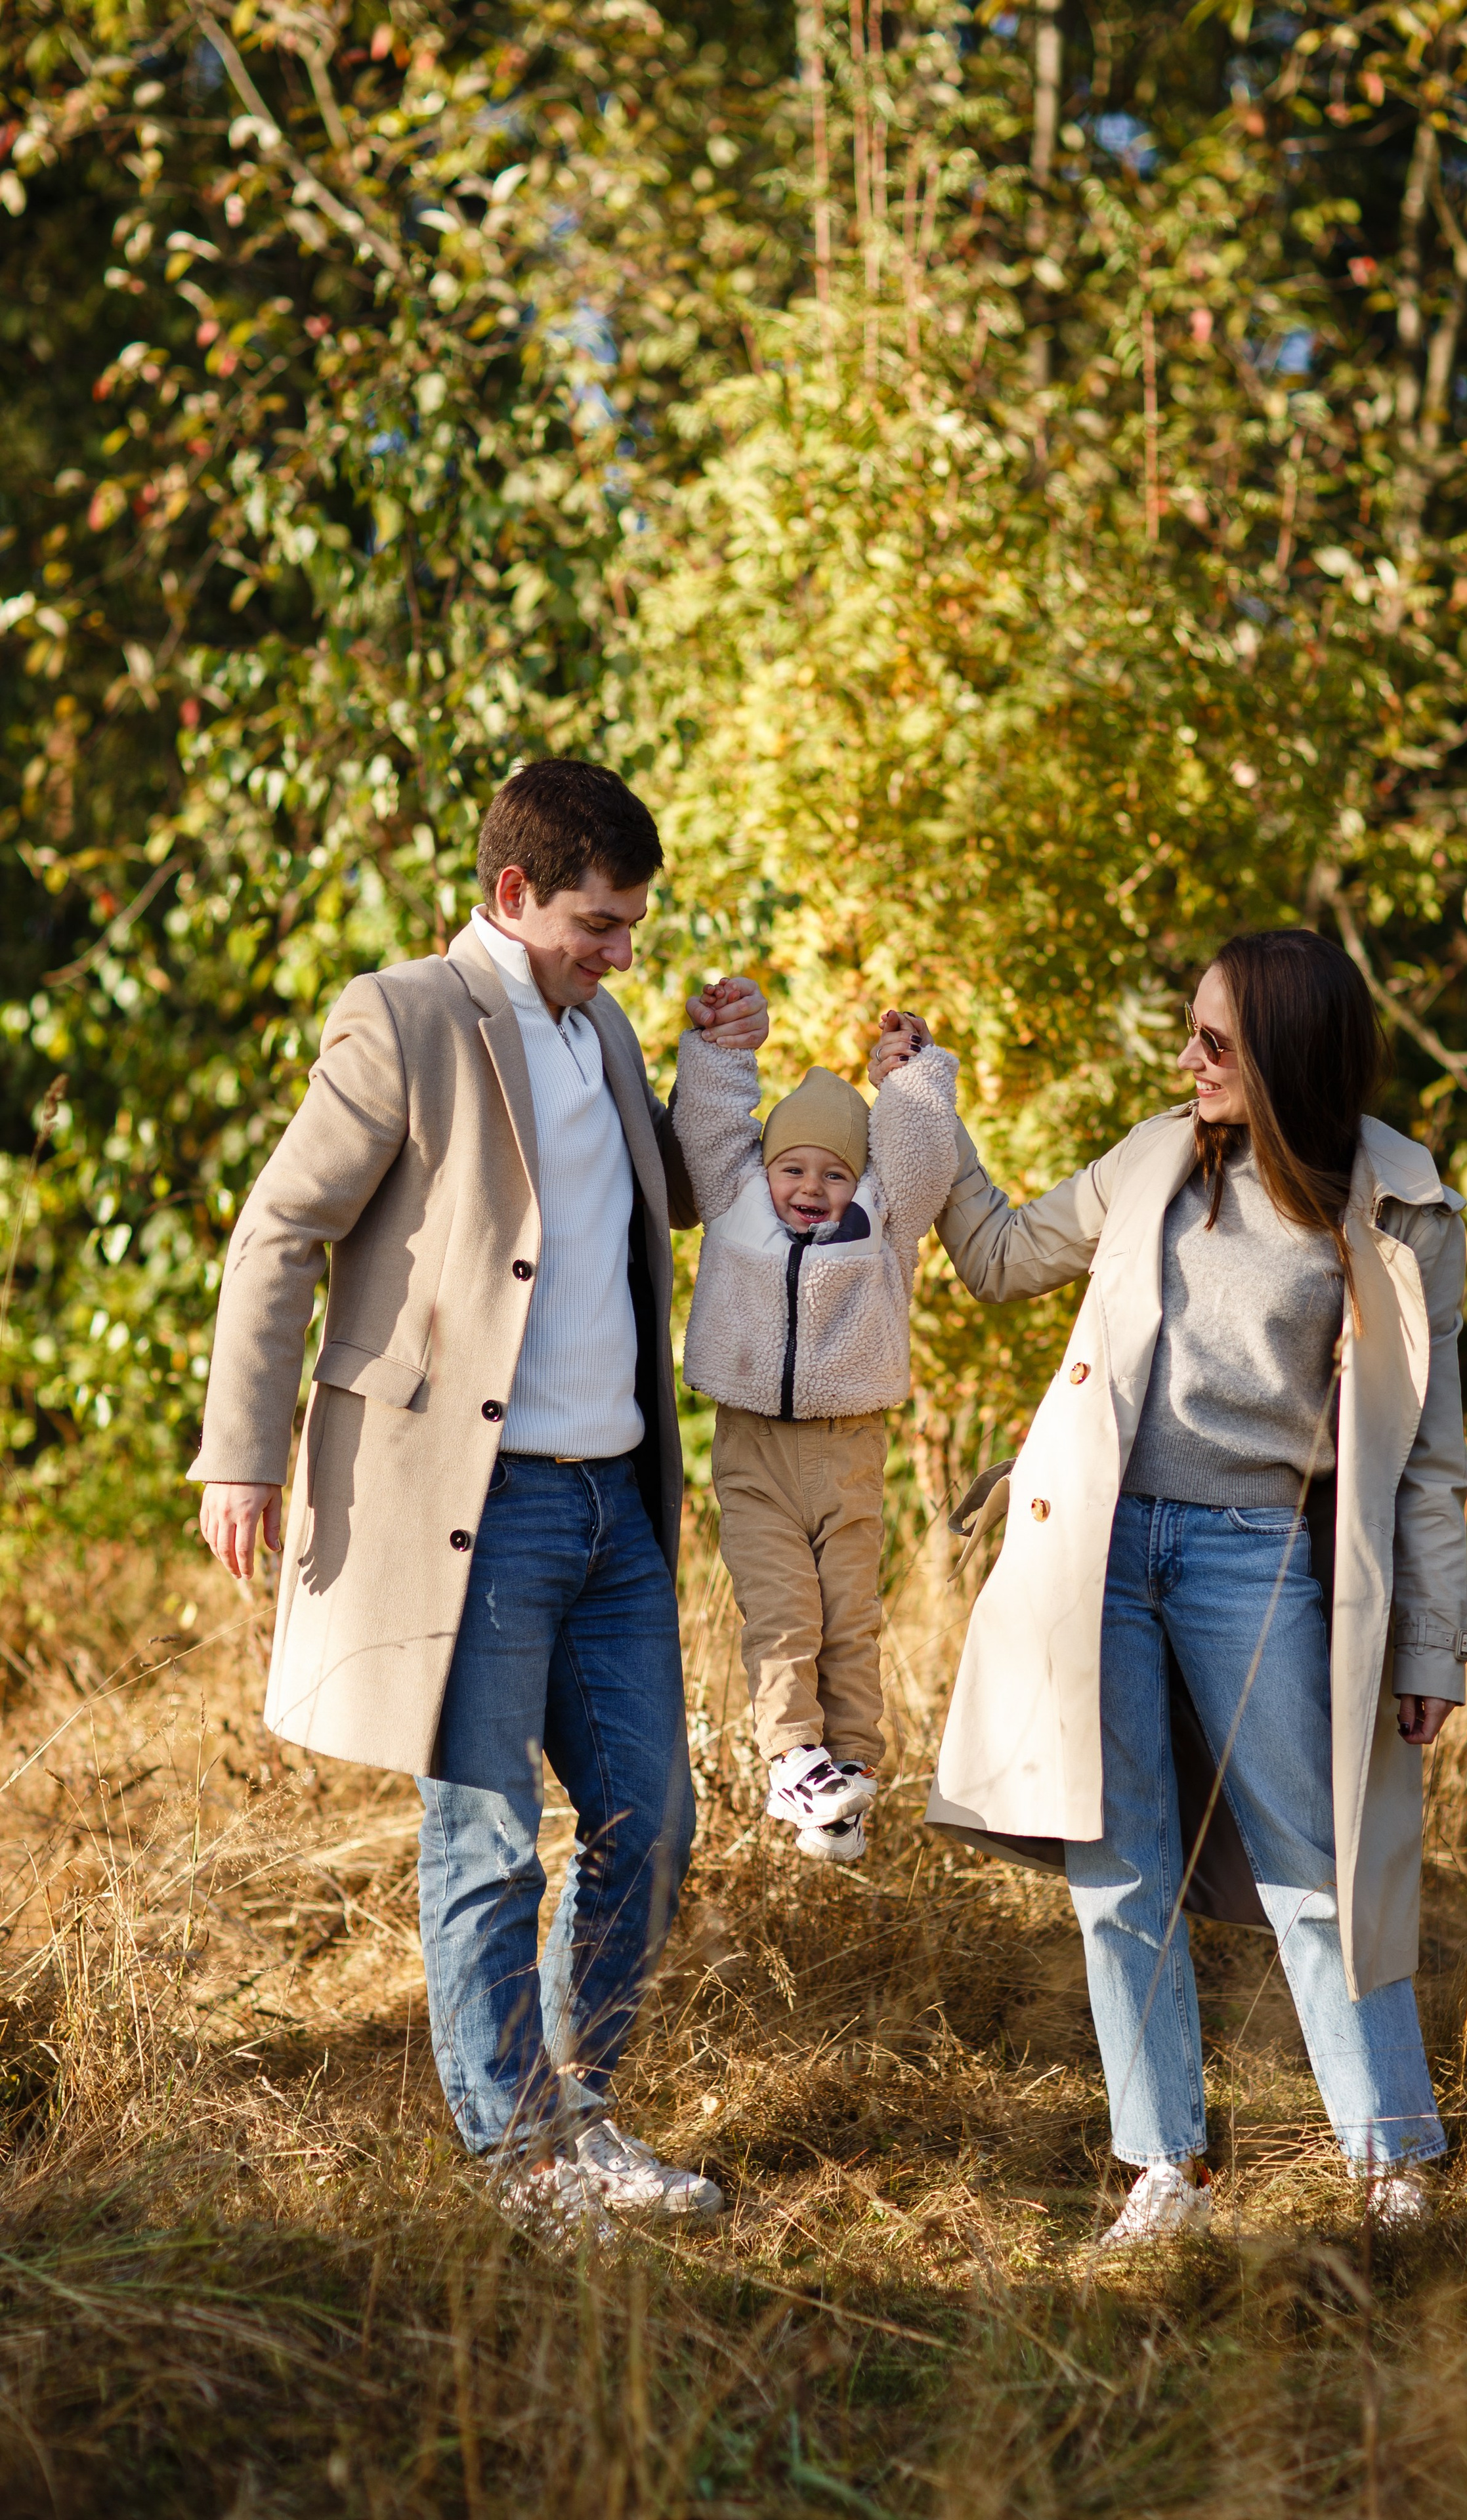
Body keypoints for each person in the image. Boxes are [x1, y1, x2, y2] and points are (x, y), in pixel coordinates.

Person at [192, 757, 769, 2240]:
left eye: (631, 925)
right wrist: (240, 1452)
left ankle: (583, 2114)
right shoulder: (402, 1019)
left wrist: (719, 1067)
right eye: (597, 921)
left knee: (651, 1824)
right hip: (473, 1512)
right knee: (487, 1839)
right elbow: (280, 1232)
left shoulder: (603, 1022)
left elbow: (672, 1196)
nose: (619, 947)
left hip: (615, 1508)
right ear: (511, 896)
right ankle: (517, 2161)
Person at [903, 929, 1467, 2242]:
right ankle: (1164, 2169)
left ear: (1284, 1054)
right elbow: (993, 1255)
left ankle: (1388, 2163)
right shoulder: (1154, 1158)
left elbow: (1429, 1461)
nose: (1188, 1059)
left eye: (1214, 1041)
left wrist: (1428, 1646)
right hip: (1096, 1553)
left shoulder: (1394, 1214)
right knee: (1118, 1868)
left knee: (1314, 1866)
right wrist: (925, 1103)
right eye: (1191, 1032)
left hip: (1250, 1553)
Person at [673, 1003, 958, 1860]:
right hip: (754, 1445)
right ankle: (793, 1755)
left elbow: (917, 1157)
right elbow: (712, 1129)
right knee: (785, 1611)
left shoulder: (883, 1221)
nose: (810, 1188)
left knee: (849, 1613)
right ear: (764, 1171)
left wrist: (910, 1078)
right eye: (791, 1168)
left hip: (849, 1445)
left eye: (833, 1173)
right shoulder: (735, 1198)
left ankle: (850, 1769)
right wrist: (722, 1048)